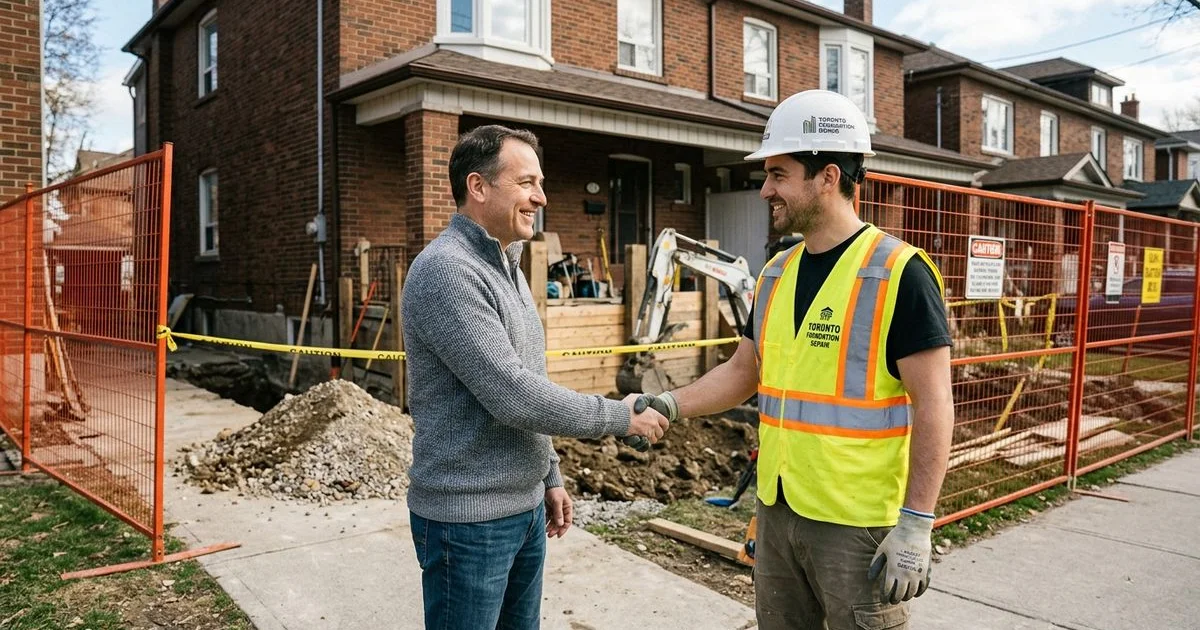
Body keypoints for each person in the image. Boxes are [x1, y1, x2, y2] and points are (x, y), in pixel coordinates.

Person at [638, 90, 954, 630]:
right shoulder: (776, 273)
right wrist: (668, 401)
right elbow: (744, 372)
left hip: (857, 527)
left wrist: (917, 523)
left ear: (827, 177)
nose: (765, 190)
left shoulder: (899, 272)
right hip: (779, 512)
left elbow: (934, 405)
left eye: (778, 174)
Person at [401, 124, 670, 630]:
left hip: (522, 510)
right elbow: (514, 396)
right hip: (469, 520)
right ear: (478, 187)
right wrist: (621, 415)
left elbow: (529, 376)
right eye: (527, 183)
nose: (541, 198)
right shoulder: (447, 271)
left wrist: (549, 474)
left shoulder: (508, 265)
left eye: (539, 184)